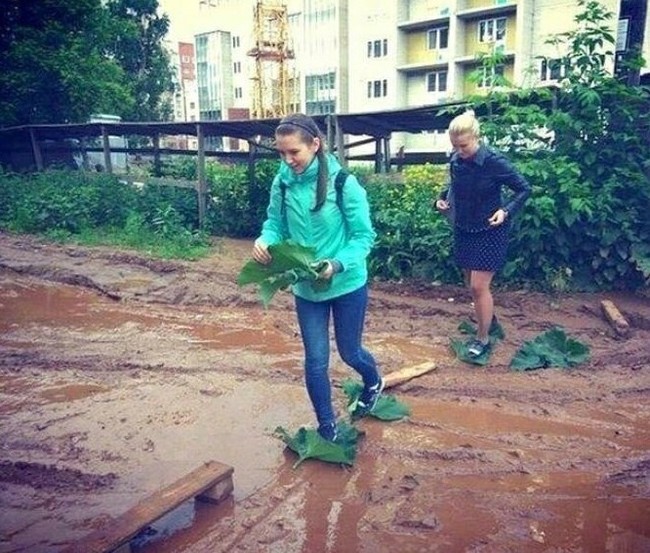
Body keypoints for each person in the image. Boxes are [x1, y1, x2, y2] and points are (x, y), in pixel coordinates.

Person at [251, 113, 383, 442]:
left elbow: (364, 237)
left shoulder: (343, 183)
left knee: (350, 352)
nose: (288, 159)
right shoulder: (282, 183)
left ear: (315, 144)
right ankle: (328, 428)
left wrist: (336, 265)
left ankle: (373, 381)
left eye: (294, 152)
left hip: (346, 283)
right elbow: (274, 224)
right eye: (281, 153)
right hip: (307, 288)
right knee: (315, 361)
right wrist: (265, 240)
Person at [436, 111, 531, 359]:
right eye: (455, 146)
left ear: (476, 138)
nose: (459, 151)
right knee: (471, 285)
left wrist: (505, 211)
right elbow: (452, 186)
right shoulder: (456, 160)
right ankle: (491, 321)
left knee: (479, 287)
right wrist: (440, 200)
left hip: (490, 229)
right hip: (464, 228)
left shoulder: (494, 161)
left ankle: (483, 338)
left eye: (463, 145)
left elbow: (523, 189)